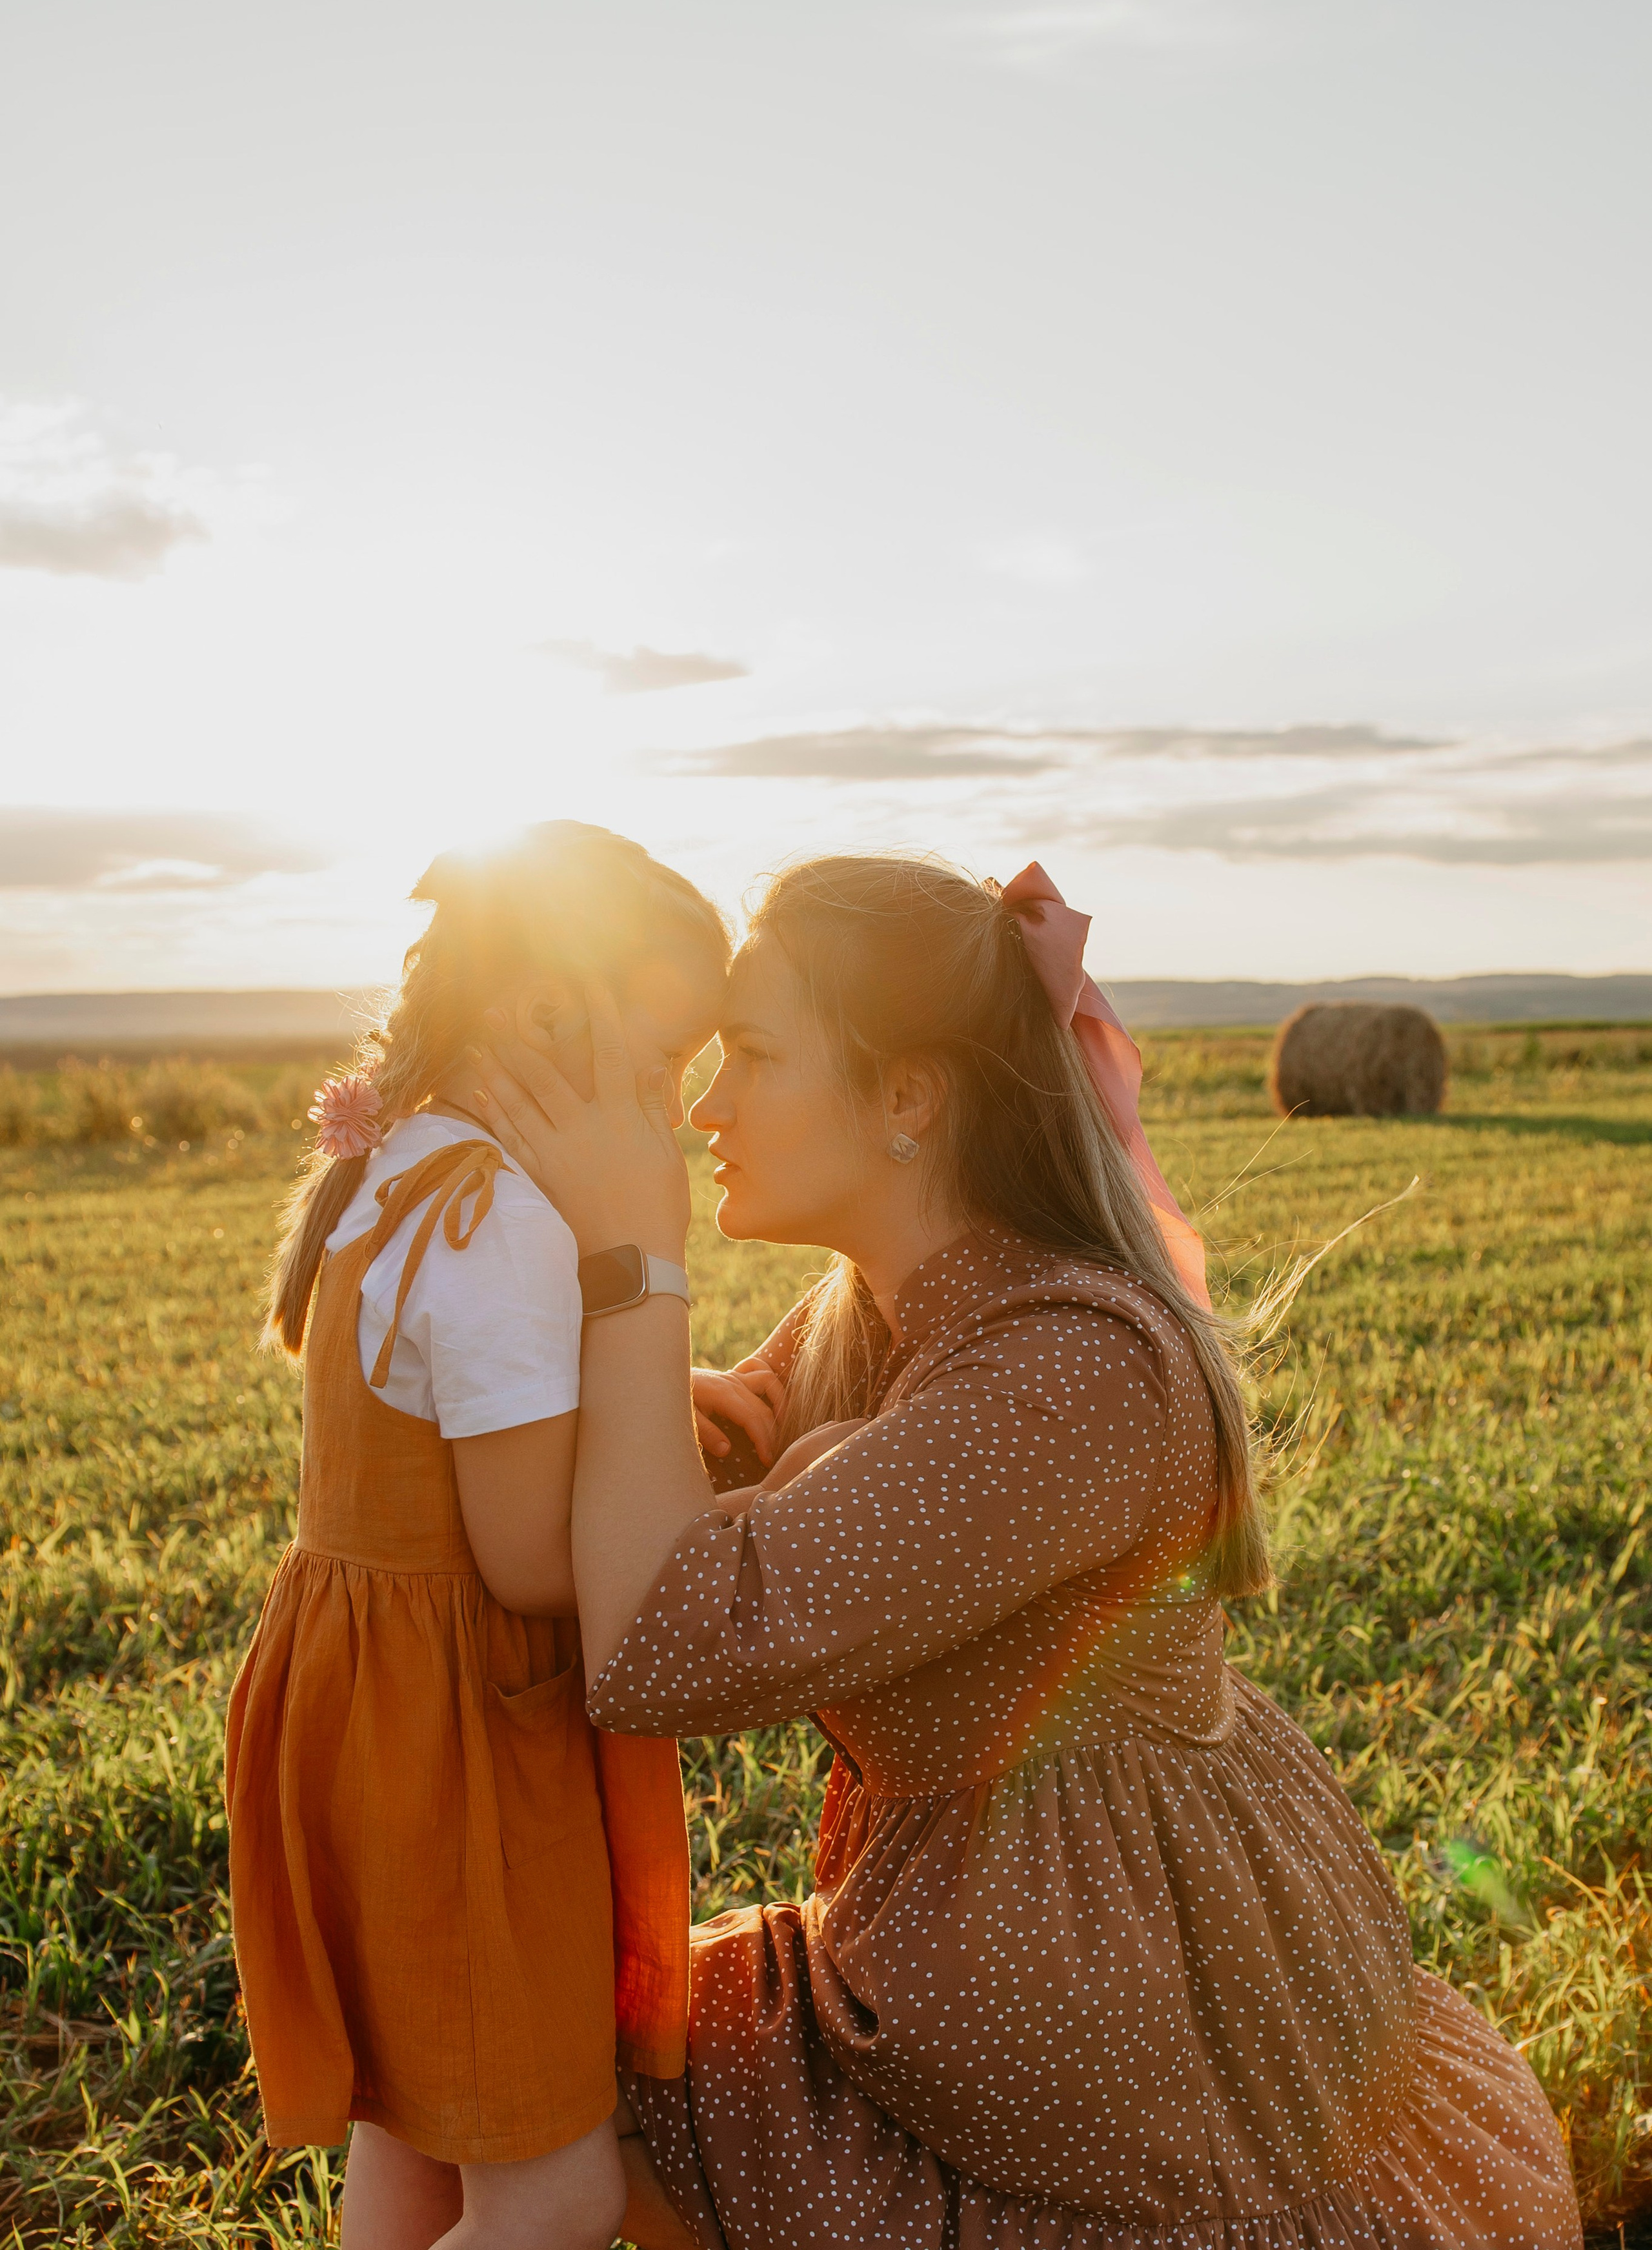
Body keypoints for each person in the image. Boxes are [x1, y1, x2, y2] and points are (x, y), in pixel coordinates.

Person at [474, 852, 1583, 2250]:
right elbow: (703, 1474)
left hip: (1103, 1988)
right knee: (528, 2043)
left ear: (906, 1097)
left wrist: (631, 1258)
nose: (706, 1103)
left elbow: (654, 1644)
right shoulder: (877, 1313)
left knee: (568, 2064)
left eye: (751, 1054)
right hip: (978, 1943)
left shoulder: (1066, 1372)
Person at [226, 822, 728, 2250]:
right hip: (464, 1749)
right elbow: (526, 1558)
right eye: (659, 1053)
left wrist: (676, 1401)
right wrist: (711, 1505)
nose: (675, 1099)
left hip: (360, 1719)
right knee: (555, 2188)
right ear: (539, 1012)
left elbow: (461, 1412)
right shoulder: (501, 1225)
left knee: (418, 2154)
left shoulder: (409, 1165)